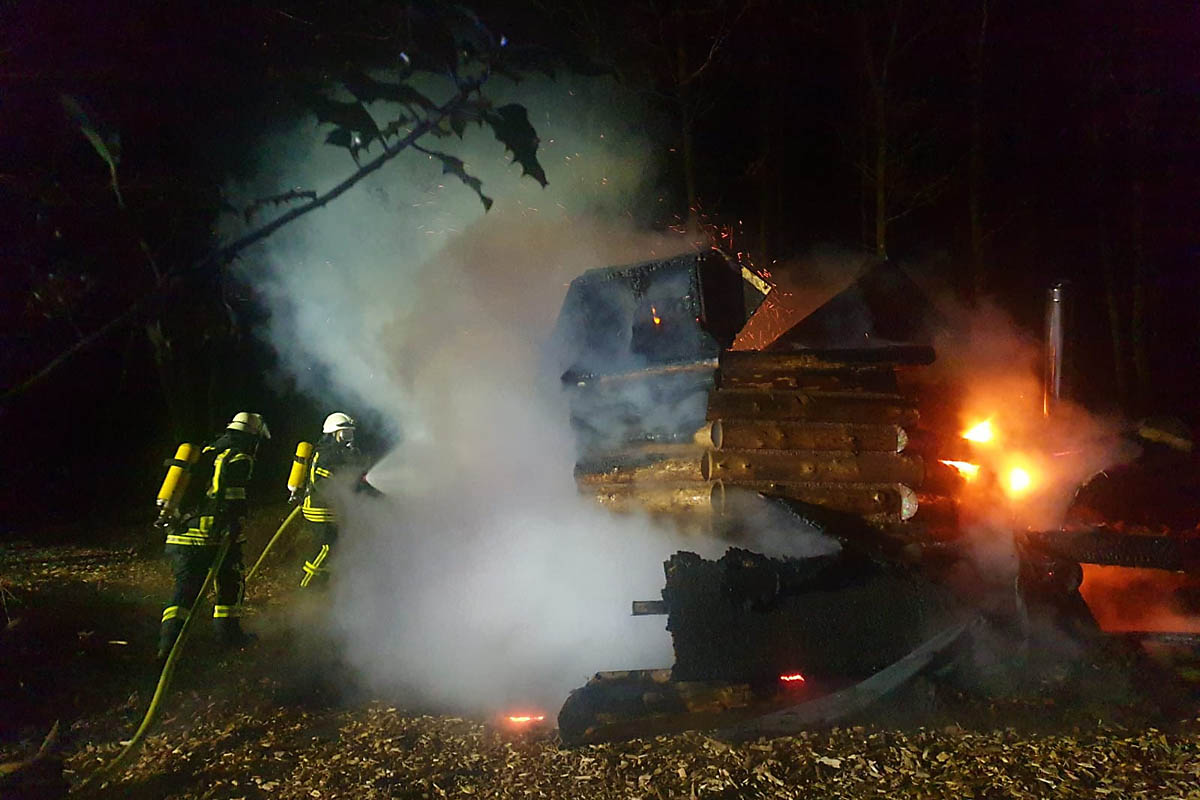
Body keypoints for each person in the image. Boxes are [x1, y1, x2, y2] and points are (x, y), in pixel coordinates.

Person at [158, 412, 269, 659]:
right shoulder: (240, 458)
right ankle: (228, 635)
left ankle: (168, 645)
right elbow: (232, 497)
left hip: (180, 532)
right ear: (252, 436)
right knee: (230, 582)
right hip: (212, 535)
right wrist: (236, 521)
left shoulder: (208, 451)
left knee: (185, 590)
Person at [299, 412, 365, 588]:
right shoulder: (327, 454)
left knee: (334, 546)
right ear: (334, 434)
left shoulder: (340, 453)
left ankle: (322, 582)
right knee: (326, 547)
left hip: (331, 508)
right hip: (319, 508)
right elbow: (321, 480)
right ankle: (307, 584)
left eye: (351, 433)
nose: (349, 438)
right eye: (345, 433)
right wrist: (346, 486)